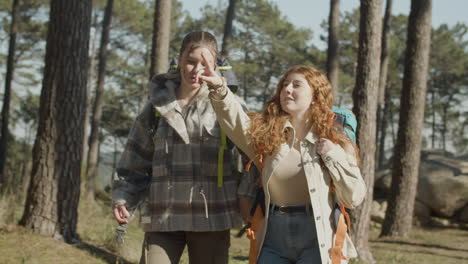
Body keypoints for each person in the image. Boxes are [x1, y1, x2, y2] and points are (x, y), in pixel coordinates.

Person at [112, 31, 256, 264]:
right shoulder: (156, 107)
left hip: (213, 217)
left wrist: (245, 197)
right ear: (179, 59)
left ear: (216, 65)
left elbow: (254, 155)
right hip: (162, 217)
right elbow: (134, 159)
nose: (196, 70)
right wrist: (123, 198)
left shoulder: (230, 105)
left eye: (205, 63)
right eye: (190, 61)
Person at [202, 63, 367, 264]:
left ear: (315, 95)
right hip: (273, 233)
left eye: (297, 85)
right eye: (284, 85)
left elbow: (355, 196)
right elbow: (236, 121)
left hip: (317, 234)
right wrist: (220, 88)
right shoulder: (267, 135)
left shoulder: (335, 139)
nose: (287, 89)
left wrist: (332, 154)